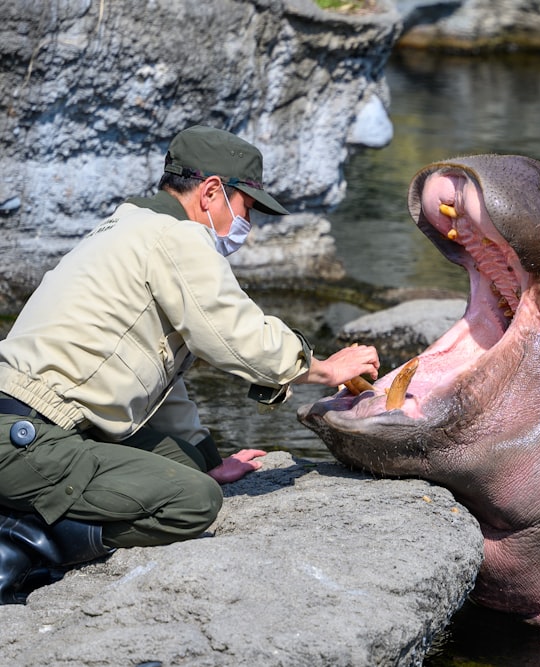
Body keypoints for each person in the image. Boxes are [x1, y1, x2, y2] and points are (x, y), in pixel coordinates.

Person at [0, 125, 380, 603]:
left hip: (37, 429)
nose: (249, 225)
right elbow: (234, 332)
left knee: (197, 474)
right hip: (27, 437)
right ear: (213, 192)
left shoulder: (132, 226)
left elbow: (160, 381)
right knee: (193, 501)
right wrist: (323, 368)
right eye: (247, 209)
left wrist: (208, 460)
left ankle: (32, 504)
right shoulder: (175, 237)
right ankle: (20, 541)